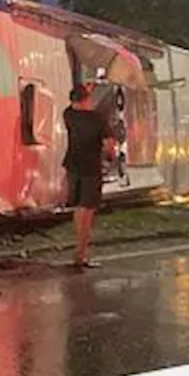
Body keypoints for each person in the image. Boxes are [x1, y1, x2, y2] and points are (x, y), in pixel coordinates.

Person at [63, 82, 117, 269]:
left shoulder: (68, 115)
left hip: (72, 166)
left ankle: (79, 249)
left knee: (79, 208)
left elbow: (74, 104)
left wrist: (86, 91)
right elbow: (109, 145)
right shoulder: (97, 119)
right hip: (91, 168)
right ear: (87, 99)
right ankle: (81, 254)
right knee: (88, 210)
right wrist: (110, 158)